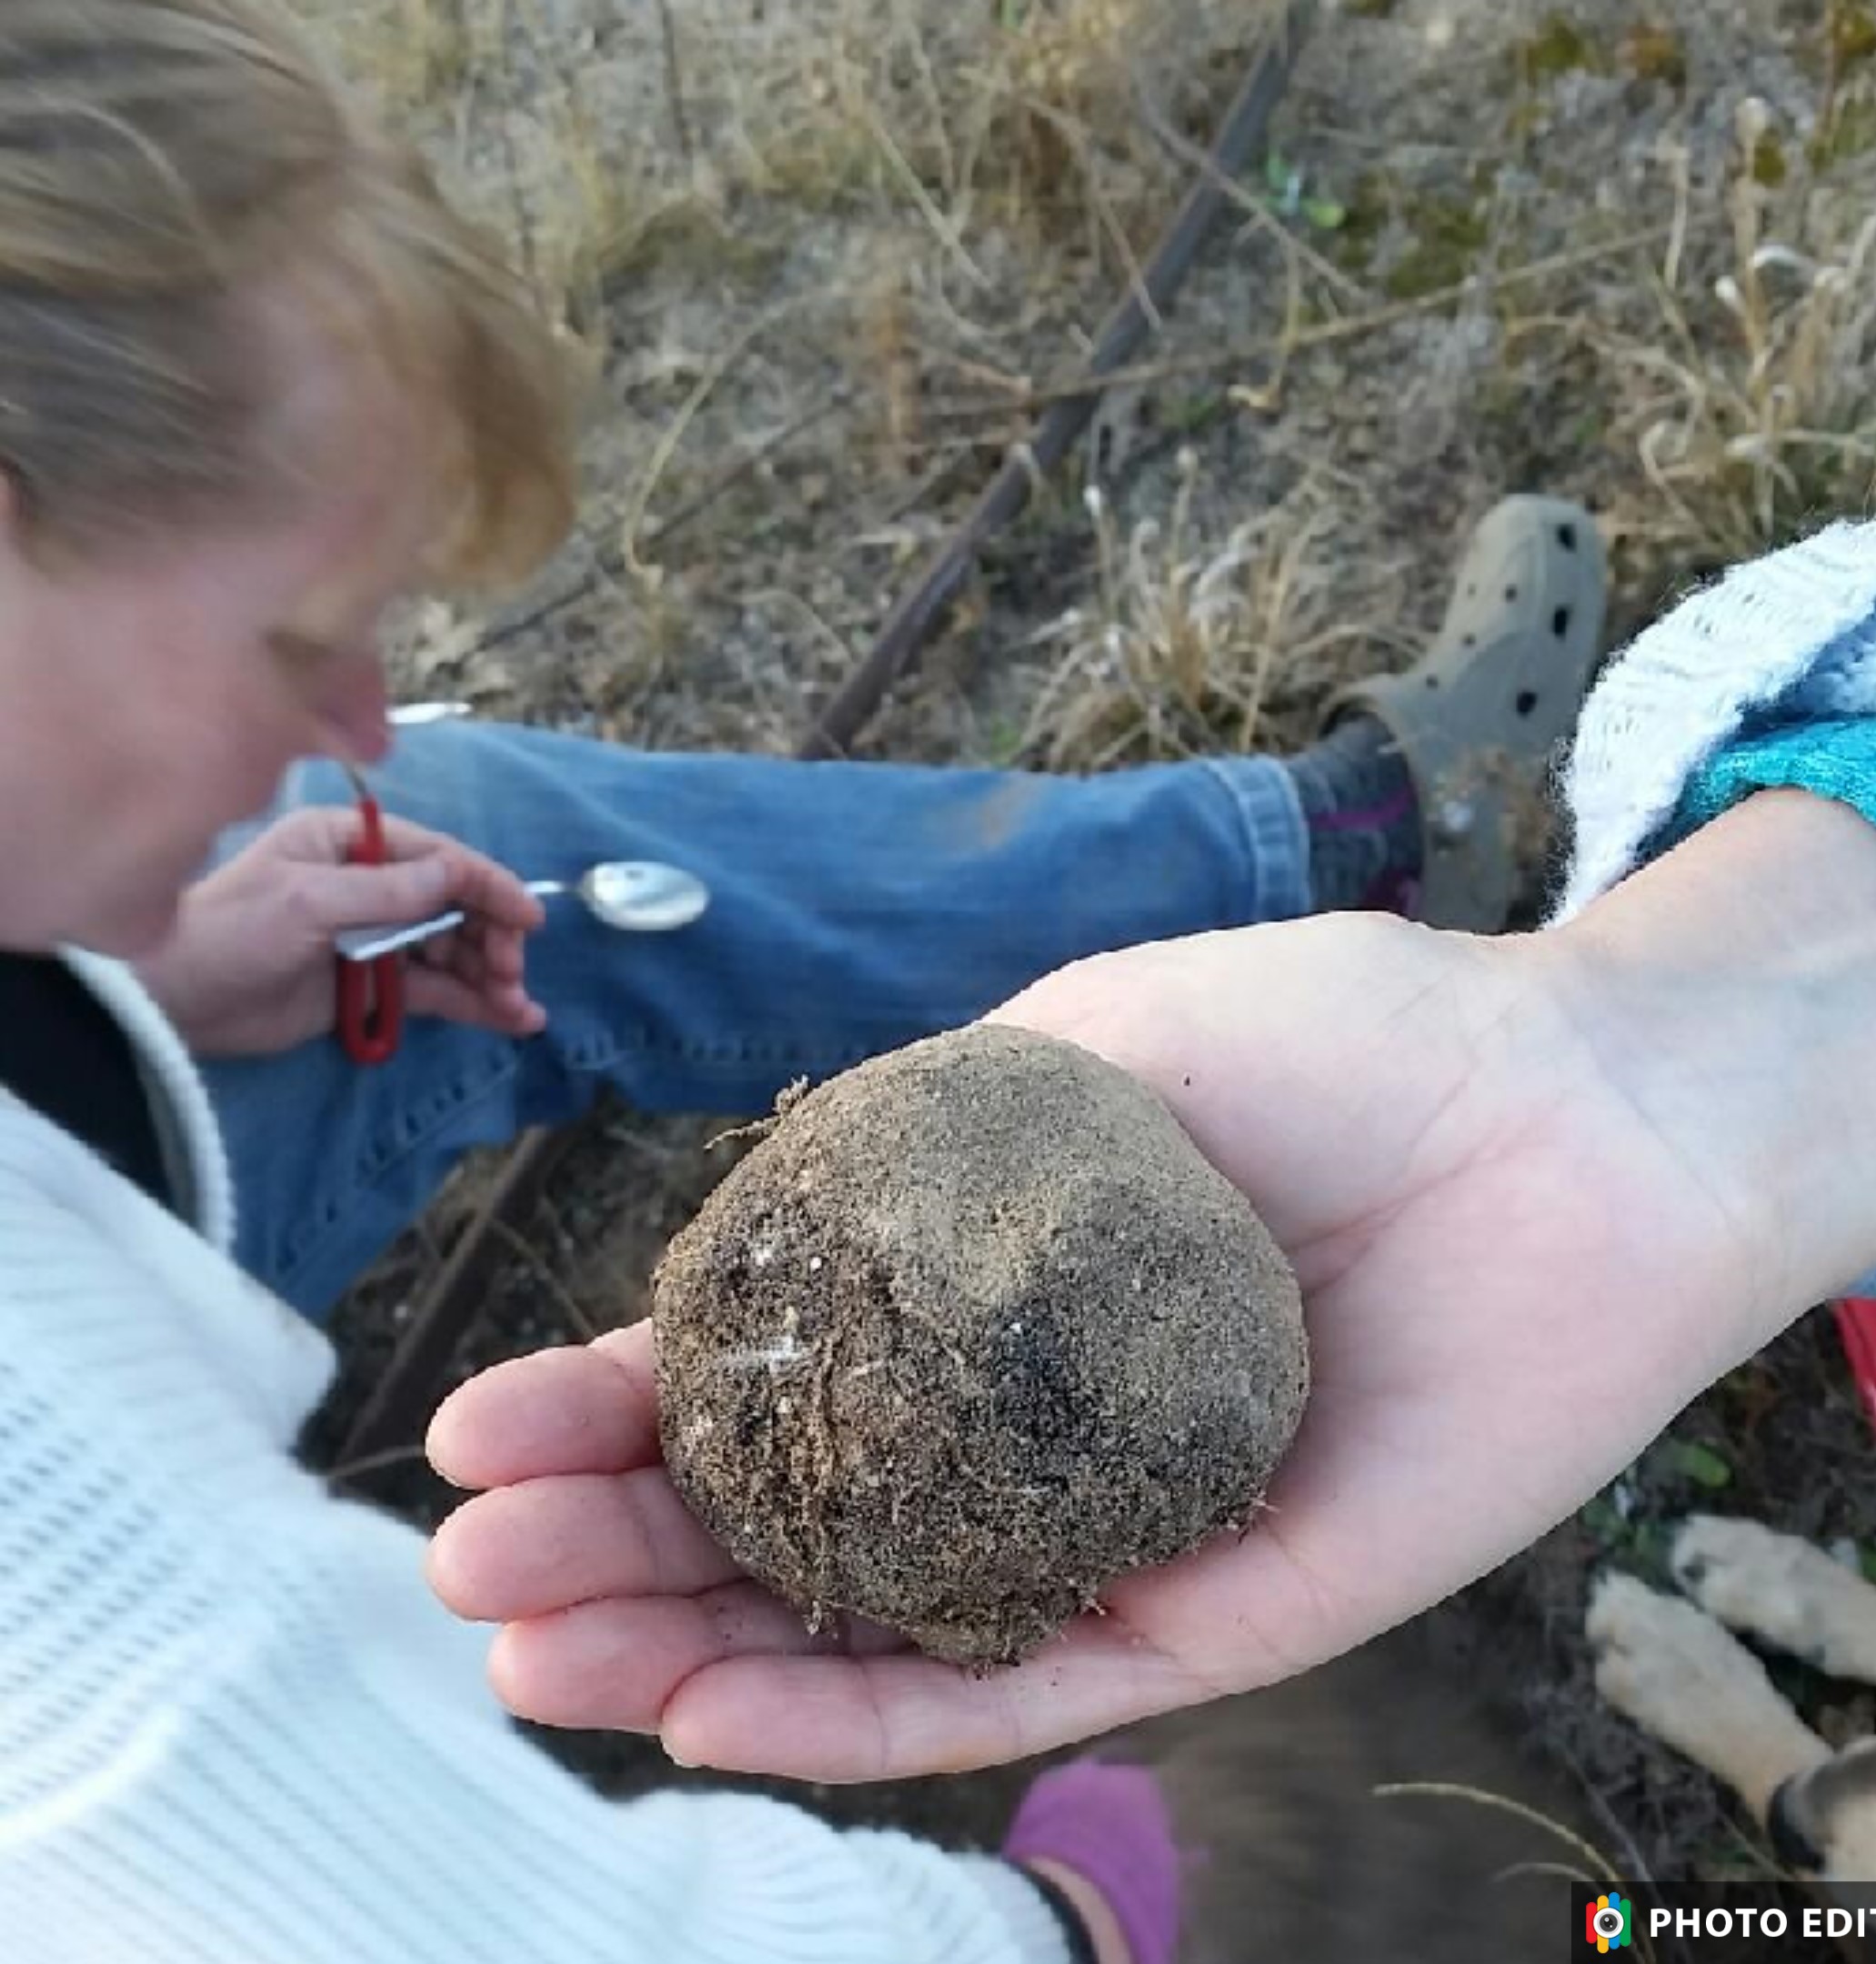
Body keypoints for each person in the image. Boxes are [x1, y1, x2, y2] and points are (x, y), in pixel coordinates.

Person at [0, 6, 1608, 1962]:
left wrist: (109, 961)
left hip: (106, 1081)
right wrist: (1113, 1905)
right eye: (300, 636)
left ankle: (1337, 861)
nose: (359, 712)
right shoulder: (50, 1520)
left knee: (462, 826)